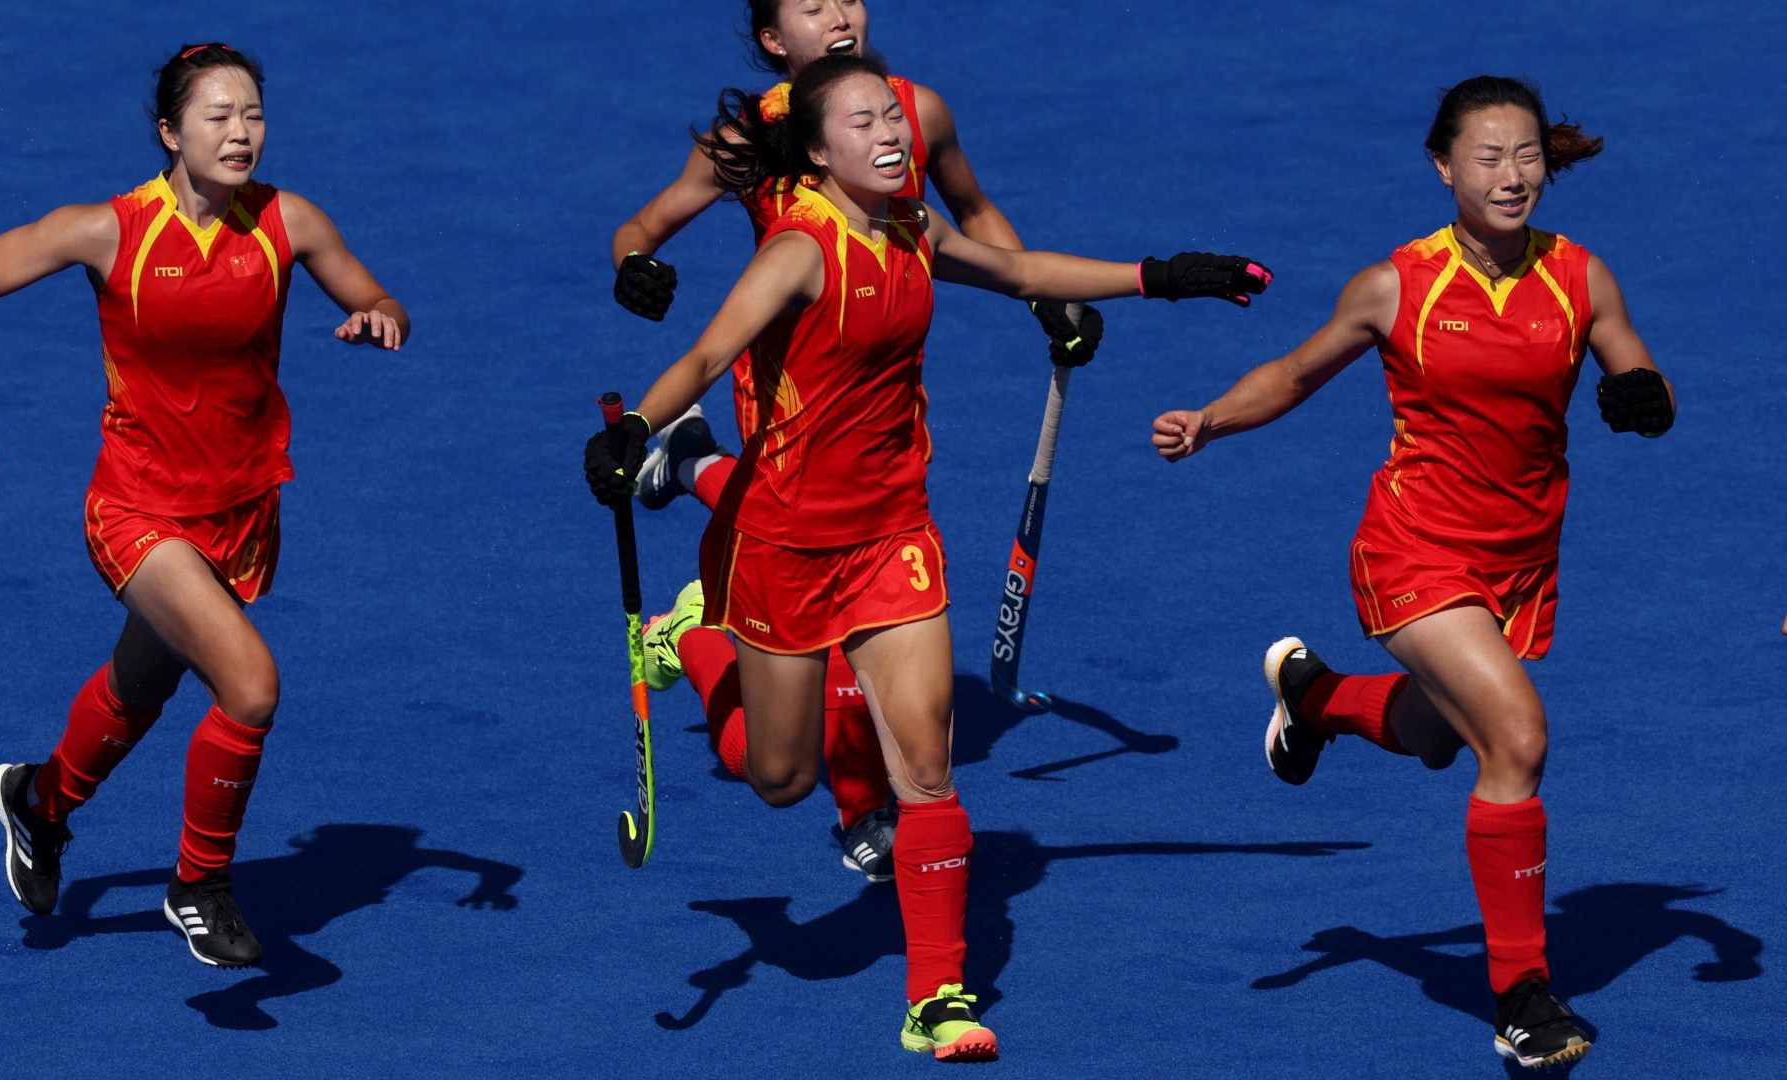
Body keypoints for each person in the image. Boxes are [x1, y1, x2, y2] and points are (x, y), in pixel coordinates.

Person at [585, 53, 1270, 1061]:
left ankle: (938, 997)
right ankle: (694, 635)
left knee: (928, 770)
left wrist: (1161, 278)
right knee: (779, 778)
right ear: (818, 154)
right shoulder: (797, 250)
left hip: (893, 537)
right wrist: (637, 428)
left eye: (891, 117)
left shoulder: (912, 227)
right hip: (783, 542)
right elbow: (706, 354)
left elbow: (1022, 273)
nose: (891, 134)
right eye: (862, 124)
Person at [1150, 76, 1672, 1069]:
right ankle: (1522, 995)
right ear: (1444, 167)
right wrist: (1210, 419)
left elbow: (1637, 370)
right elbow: (1296, 373)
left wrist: (1645, 396)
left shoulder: (1581, 276)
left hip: (1521, 555)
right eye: (1489, 157)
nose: (1512, 176)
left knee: (1439, 732)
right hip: (1414, 546)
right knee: (1515, 737)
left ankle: (1315, 700)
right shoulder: (1398, 286)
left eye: (1527, 156)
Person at [610, 0, 1106, 881]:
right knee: (817, 559)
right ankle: (861, 810)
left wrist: (1047, 302)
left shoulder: (915, 113)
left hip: (881, 356)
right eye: (810, 5)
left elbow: (975, 215)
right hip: (786, 382)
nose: (838, 13)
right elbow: (642, 230)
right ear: (773, 40)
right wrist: (634, 268)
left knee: (858, 566)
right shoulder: (747, 137)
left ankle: (689, 470)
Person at [0, 43, 409, 968]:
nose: (241, 133)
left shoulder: (288, 221)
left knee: (141, 687)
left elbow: (379, 295)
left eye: (253, 115)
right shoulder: (110, 231)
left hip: (238, 513)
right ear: (169, 132)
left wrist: (380, 317)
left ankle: (36, 803)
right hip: (136, 509)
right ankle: (200, 885)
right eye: (217, 116)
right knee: (251, 686)